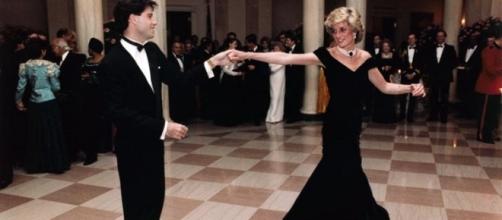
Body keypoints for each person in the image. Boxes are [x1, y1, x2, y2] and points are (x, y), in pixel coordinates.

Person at [230, 6, 425, 219]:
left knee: (349, 169)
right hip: (334, 123)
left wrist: (410, 87)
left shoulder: (366, 57)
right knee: (337, 167)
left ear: (354, 31)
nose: (338, 35)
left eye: (342, 29)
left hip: (353, 124)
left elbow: (385, 87)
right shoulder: (326, 55)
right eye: (334, 30)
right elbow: (285, 59)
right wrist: (247, 54)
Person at [100, 1, 231, 219]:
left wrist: (213, 63)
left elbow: (180, 80)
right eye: (150, 16)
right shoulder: (112, 62)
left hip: (154, 145)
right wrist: (163, 127)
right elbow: (117, 112)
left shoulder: (152, 50)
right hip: (132, 147)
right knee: (137, 207)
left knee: (155, 202)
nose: (155, 21)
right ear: (133, 18)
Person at [15, 38, 69, 174]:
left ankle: (37, 164)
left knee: (36, 133)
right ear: (43, 51)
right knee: (52, 132)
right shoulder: (50, 66)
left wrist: (18, 101)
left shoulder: (25, 66)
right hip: (49, 101)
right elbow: (56, 87)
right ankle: (55, 163)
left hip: (34, 103)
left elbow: (21, 87)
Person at [474, 31, 502, 144]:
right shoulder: (488, 50)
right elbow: (490, 69)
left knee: (494, 112)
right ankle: (483, 135)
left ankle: (491, 132)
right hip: (487, 86)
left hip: (497, 86)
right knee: (486, 113)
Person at [424, 30, 457, 123]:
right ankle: (433, 116)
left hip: (445, 77)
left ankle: (443, 117)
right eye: (438, 36)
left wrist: (445, 69)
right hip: (433, 77)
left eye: (441, 36)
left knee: (444, 98)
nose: (440, 38)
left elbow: (454, 62)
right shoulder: (431, 48)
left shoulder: (450, 48)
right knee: (433, 97)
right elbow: (428, 62)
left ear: (444, 37)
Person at [398, 33, 423, 122]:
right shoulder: (403, 50)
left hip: (415, 76)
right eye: (409, 39)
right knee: (402, 97)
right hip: (405, 76)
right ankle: (401, 115)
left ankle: (410, 116)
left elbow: (422, 64)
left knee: (413, 97)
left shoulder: (420, 50)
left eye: (412, 38)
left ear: (415, 40)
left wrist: (414, 74)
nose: (411, 40)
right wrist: (405, 73)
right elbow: (400, 63)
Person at [373, 39, 398, 123]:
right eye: (384, 46)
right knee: (380, 98)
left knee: (390, 99)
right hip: (380, 78)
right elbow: (374, 67)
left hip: (390, 79)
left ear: (390, 47)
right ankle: (379, 117)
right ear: (382, 47)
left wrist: (391, 70)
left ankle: (389, 118)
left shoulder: (395, 56)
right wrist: (382, 68)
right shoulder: (377, 56)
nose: (386, 48)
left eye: (387, 46)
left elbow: (398, 66)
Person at [266, 41, 286, 123]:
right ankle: (271, 117)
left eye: (277, 47)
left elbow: (281, 64)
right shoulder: (271, 54)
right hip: (273, 77)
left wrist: (274, 67)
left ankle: (278, 116)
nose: (276, 48)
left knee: (280, 96)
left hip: (280, 77)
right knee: (274, 96)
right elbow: (270, 66)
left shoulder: (283, 55)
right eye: (275, 47)